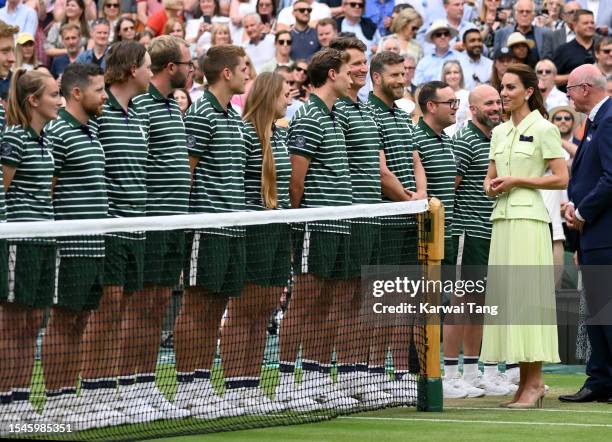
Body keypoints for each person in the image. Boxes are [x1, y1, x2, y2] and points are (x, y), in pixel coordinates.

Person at [481, 63, 568, 408]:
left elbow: (560, 178)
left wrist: (520, 180)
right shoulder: (500, 133)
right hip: (502, 221)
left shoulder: (545, 128)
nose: (503, 93)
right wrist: (491, 186)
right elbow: (490, 178)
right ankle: (523, 385)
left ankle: (535, 384)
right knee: (510, 301)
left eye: (511, 87)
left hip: (530, 222)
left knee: (528, 300)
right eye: (501, 87)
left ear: (529, 91)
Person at [79, 40, 155, 424]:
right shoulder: (100, 112)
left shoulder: (138, 115)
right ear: (130, 70)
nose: (151, 72)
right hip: (109, 229)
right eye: (147, 65)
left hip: (136, 229)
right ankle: (91, 393)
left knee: (124, 311)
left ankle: (109, 391)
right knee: (104, 313)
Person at [274, 48, 353, 411]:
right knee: (305, 302)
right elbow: (295, 182)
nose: (355, 75)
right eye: (349, 69)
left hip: (339, 224)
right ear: (333, 73)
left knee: (328, 303)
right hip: (314, 224)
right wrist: (295, 226)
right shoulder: (306, 115)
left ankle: (318, 376)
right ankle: (288, 379)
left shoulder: (335, 115)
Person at [174, 45, 249, 418]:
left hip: (234, 225)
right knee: (198, 306)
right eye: (242, 68)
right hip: (207, 225)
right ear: (224, 73)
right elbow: (187, 172)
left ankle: (203, 380)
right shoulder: (201, 113)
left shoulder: (234, 117)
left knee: (216, 305)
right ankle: (189, 385)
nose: (246, 73)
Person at [125, 35, 193, 419]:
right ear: (172, 68)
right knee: (141, 308)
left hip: (175, 222)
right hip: (150, 224)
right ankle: (131, 386)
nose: (191, 69)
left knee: (156, 307)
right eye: (187, 63)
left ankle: (146, 382)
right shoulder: (142, 108)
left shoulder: (171, 108)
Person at [218, 72, 291, 414]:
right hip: (252, 231)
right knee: (243, 310)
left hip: (278, 231)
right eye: (283, 95)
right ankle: (234, 386)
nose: (288, 100)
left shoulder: (281, 136)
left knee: (264, 312)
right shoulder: (246, 133)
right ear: (268, 96)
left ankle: (251, 383)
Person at [41, 63, 107, 426]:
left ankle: (71, 395)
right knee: (64, 321)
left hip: (96, 244)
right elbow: (47, 189)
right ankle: (56, 400)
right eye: (98, 90)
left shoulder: (93, 130)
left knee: (81, 322)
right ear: (77, 94)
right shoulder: (57, 132)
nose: (104, 96)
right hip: (70, 245)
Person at [327, 36, 387, 406]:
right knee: (339, 298)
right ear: (337, 69)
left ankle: (356, 374)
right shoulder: (337, 112)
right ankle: (335, 376)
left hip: (371, 217)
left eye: (365, 63)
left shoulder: (364, 109)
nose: (362, 69)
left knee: (361, 300)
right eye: (355, 63)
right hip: (344, 217)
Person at [0, 67, 61, 424]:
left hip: (43, 241)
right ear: (33, 101)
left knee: (31, 323)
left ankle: (21, 399)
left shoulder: (45, 140)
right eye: (53, 95)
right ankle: (5, 400)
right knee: (12, 322)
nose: (59, 100)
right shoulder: (14, 139)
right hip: (18, 244)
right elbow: (2, 189)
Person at [450, 84, 516, 398]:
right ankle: (452, 372)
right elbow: (451, 186)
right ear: (473, 109)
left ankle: (480, 371)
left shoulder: (498, 137)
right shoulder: (464, 141)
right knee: (466, 303)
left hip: (492, 231)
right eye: (488, 103)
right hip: (469, 231)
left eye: (497, 101)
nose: (495, 106)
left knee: (486, 305)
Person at [367, 50, 427, 400]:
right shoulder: (367, 114)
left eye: (403, 74)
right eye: (394, 75)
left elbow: (415, 159)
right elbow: (381, 171)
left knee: (403, 302)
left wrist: (419, 197)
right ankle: (374, 373)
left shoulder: (404, 116)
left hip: (408, 219)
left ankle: (401, 375)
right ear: (377, 78)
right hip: (383, 221)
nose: (402, 80)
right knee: (380, 302)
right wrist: (410, 204)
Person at [561, 64, 612, 404]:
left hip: (604, 233)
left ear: (584, 88)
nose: (566, 96)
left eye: (570, 89)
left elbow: (611, 178)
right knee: (598, 312)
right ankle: (600, 380)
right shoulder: (598, 120)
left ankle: (603, 380)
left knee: (605, 310)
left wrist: (580, 211)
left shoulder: (608, 120)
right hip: (593, 235)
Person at [553, 9, 596, 89]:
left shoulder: (603, 49)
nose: (590, 25)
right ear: (575, 26)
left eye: (592, 23)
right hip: (570, 99)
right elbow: (552, 78)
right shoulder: (563, 50)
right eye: (585, 23)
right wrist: (577, 76)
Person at [413, 20, 458, 86]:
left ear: (450, 37)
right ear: (432, 38)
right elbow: (418, 86)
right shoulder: (423, 63)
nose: (443, 37)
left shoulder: (461, 58)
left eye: (446, 34)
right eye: (438, 35)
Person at [441, 60, 469, 132]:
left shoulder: (468, 95)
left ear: (461, 75)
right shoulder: (439, 96)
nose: (452, 76)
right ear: (444, 76)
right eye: (448, 73)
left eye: (455, 72)